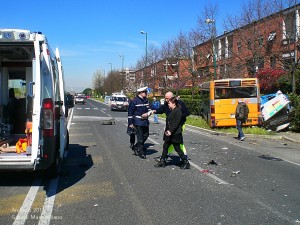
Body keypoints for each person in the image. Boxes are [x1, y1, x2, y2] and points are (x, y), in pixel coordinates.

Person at [152, 91, 190, 160]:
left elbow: (187, 112)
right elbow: (162, 109)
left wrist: (178, 117)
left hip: (179, 125)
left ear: (172, 98)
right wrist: (154, 111)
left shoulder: (179, 103)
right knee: (169, 142)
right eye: (165, 98)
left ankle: (184, 157)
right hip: (170, 125)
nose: (166, 100)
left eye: (167, 98)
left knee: (177, 143)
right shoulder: (167, 104)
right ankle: (164, 157)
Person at [127, 87, 152, 159]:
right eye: (145, 92)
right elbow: (130, 113)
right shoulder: (134, 101)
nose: (146, 93)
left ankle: (135, 147)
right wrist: (130, 123)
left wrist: (148, 114)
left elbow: (150, 109)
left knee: (146, 135)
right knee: (140, 137)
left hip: (145, 121)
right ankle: (141, 152)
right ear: (140, 93)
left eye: (146, 92)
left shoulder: (146, 100)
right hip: (138, 121)